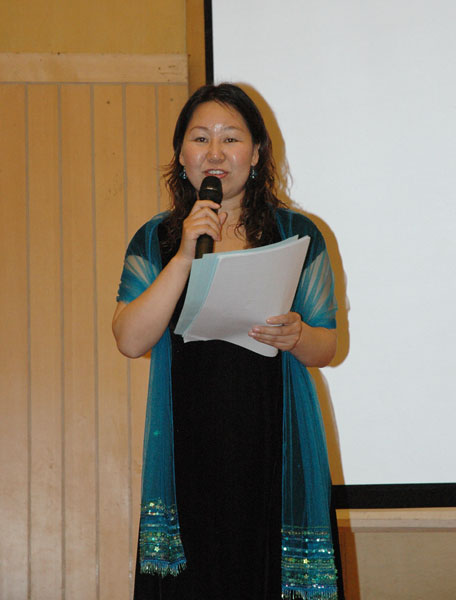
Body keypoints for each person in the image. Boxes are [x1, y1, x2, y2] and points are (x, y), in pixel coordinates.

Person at [113, 83, 339, 600]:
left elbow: (327, 346)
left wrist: (298, 334)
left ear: (256, 154)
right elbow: (129, 339)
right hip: (188, 442)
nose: (214, 153)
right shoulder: (158, 238)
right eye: (200, 138)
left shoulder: (296, 233)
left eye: (231, 138)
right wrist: (185, 254)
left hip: (273, 437)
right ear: (181, 155)